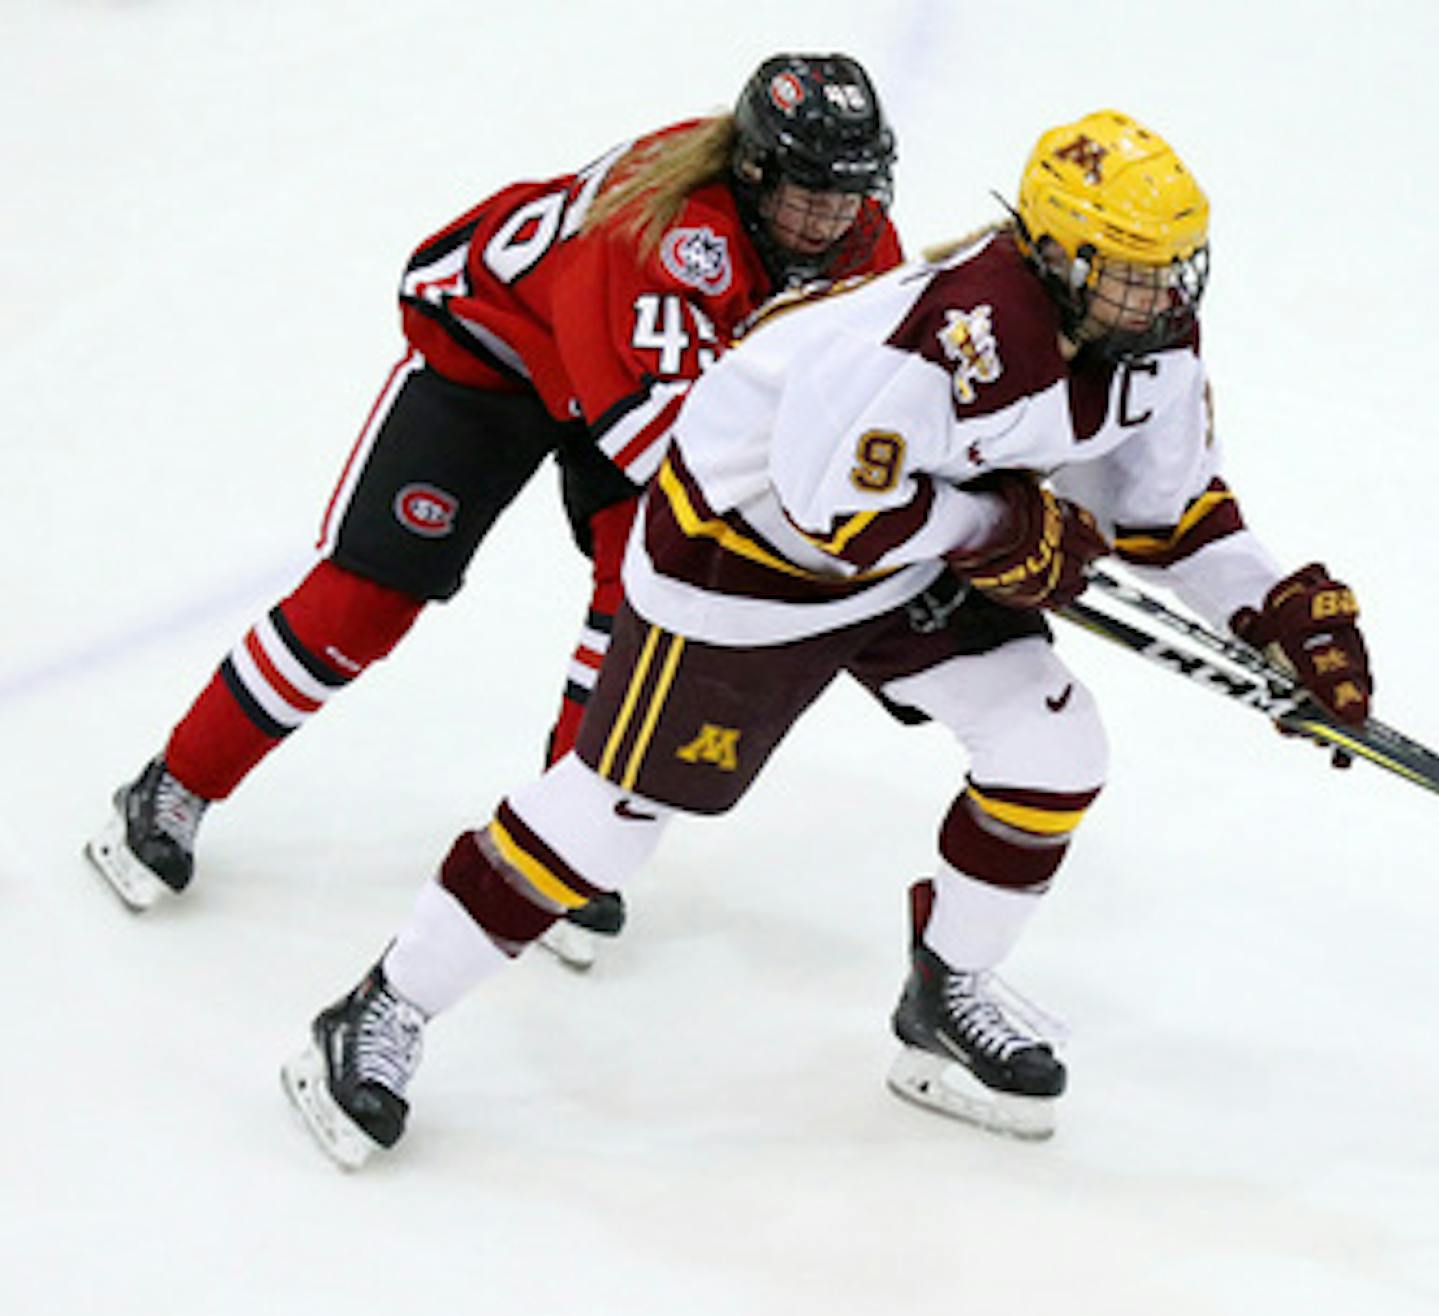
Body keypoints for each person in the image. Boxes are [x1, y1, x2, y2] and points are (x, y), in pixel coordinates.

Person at [280, 108, 1376, 1166]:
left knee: (1053, 743)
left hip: (911, 542)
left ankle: (945, 993)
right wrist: (996, 525)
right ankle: (383, 1005)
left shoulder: (1149, 340)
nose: (1162, 293)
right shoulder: (949, 336)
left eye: (1175, 265)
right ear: (1054, 252)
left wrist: (1272, 609)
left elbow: (1168, 508)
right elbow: (829, 511)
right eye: (1135, 268)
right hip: (741, 554)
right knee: (612, 819)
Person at [85, 53, 904, 967]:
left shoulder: (861, 237)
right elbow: (655, 449)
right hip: (500, 357)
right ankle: (176, 782)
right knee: (369, 598)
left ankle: (553, 849)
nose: (832, 220)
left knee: (643, 599)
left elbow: (876, 389)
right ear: (752, 170)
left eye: (849, 197)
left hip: (651, 388)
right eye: (810, 196)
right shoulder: (655, 229)